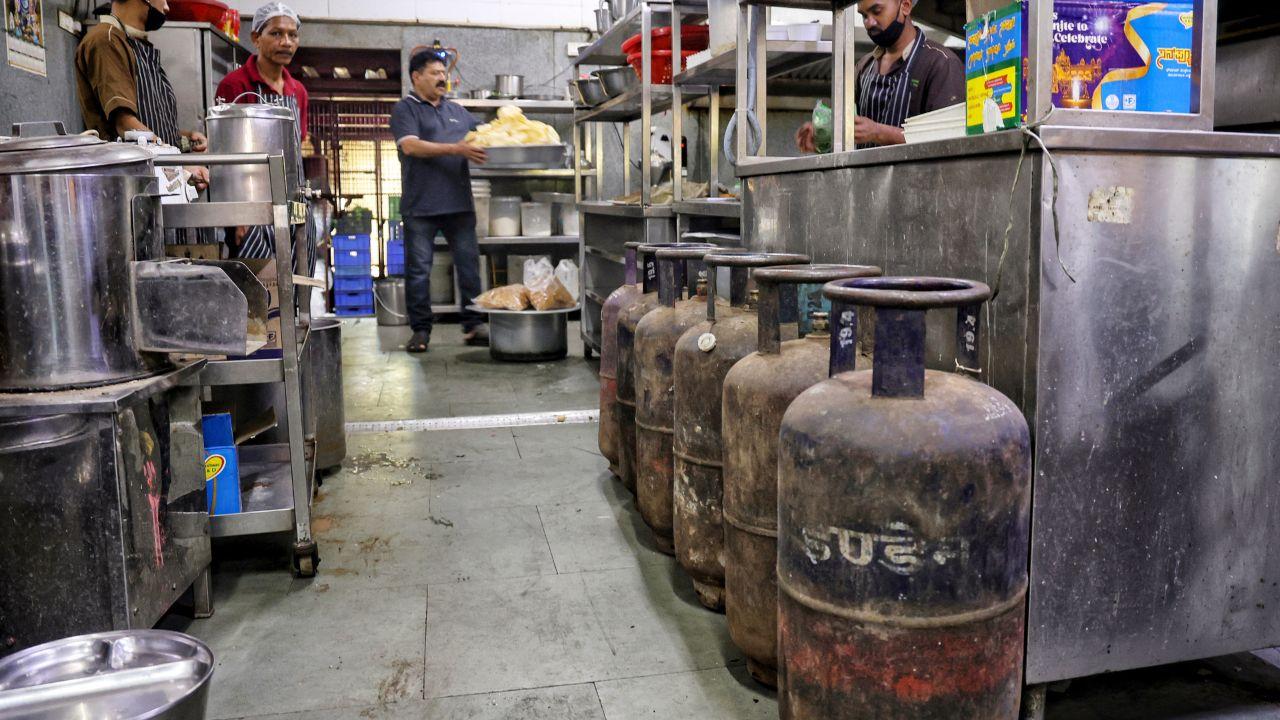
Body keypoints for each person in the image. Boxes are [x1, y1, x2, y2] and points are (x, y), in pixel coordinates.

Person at [391, 50, 489, 353]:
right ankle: (420, 330)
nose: (442, 77)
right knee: (419, 270)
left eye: (443, 72)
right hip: (421, 206)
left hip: (459, 205)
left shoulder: (458, 111)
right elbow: (410, 146)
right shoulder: (405, 109)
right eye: (434, 72)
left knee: (469, 267)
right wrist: (455, 149)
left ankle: (474, 324)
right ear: (416, 77)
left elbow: (487, 135)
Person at [76, 0, 208, 190]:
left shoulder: (136, 45)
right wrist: (178, 166)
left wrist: (185, 139)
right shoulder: (106, 40)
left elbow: (148, 121)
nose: (167, 7)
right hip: (129, 187)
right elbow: (126, 125)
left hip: (154, 181)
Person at [796, 0, 963, 151]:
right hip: (868, 182)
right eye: (864, 16)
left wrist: (878, 133)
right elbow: (844, 125)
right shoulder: (864, 67)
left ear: (905, 6)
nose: (869, 23)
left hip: (920, 182)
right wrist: (824, 132)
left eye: (876, 11)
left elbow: (949, 139)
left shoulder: (941, 64)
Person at [215, 2, 310, 261]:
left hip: (294, 203)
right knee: (259, 293)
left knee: (299, 279)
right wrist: (238, 218)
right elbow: (225, 158)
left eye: (292, 35)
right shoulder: (234, 85)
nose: (286, 42)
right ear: (256, 38)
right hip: (252, 210)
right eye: (276, 33)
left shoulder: (297, 91)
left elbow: (297, 147)